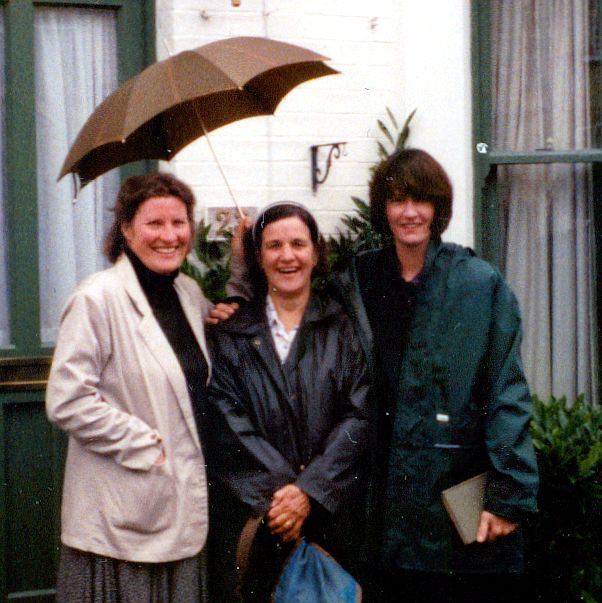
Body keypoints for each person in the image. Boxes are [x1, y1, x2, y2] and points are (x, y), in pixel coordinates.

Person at [222, 150, 539, 603]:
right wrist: (238, 296)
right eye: (397, 200)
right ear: (383, 209)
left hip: (455, 495)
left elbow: (507, 393)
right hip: (379, 505)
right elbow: (292, 295)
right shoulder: (358, 278)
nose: (409, 212)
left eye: (421, 200)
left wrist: (508, 494)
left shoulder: (478, 284)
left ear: (438, 209)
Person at [46, 172, 212, 602]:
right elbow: (67, 400)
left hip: (176, 510)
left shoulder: (189, 294)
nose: (169, 236)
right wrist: (145, 443)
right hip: (120, 518)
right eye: (154, 224)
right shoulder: (96, 298)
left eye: (178, 223)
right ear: (125, 229)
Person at [205, 202, 370, 603]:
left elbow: (358, 414)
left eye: (298, 243)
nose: (287, 255)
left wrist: (309, 492)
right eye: (274, 245)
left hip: (330, 519)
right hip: (258, 518)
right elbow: (226, 423)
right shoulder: (231, 334)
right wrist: (286, 497)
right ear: (258, 257)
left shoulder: (343, 328)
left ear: (316, 252)